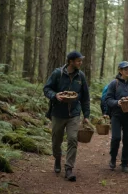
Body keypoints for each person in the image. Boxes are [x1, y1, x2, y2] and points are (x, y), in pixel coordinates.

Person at [43, 51, 90, 182]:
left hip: (74, 114)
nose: (80, 63)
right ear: (71, 61)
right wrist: (55, 96)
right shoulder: (58, 73)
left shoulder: (81, 76)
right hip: (58, 114)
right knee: (56, 142)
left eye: (81, 60)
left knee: (73, 139)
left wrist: (86, 115)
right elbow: (46, 89)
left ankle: (69, 168)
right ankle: (57, 158)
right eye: (78, 61)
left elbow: (85, 97)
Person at [105, 61, 128, 173]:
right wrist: (117, 102)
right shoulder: (114, 83)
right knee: (116, 138)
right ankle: (112, 159)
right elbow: (108, 99)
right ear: (120, 71)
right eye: (125, 69)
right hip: (116, 115)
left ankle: (125, 163)